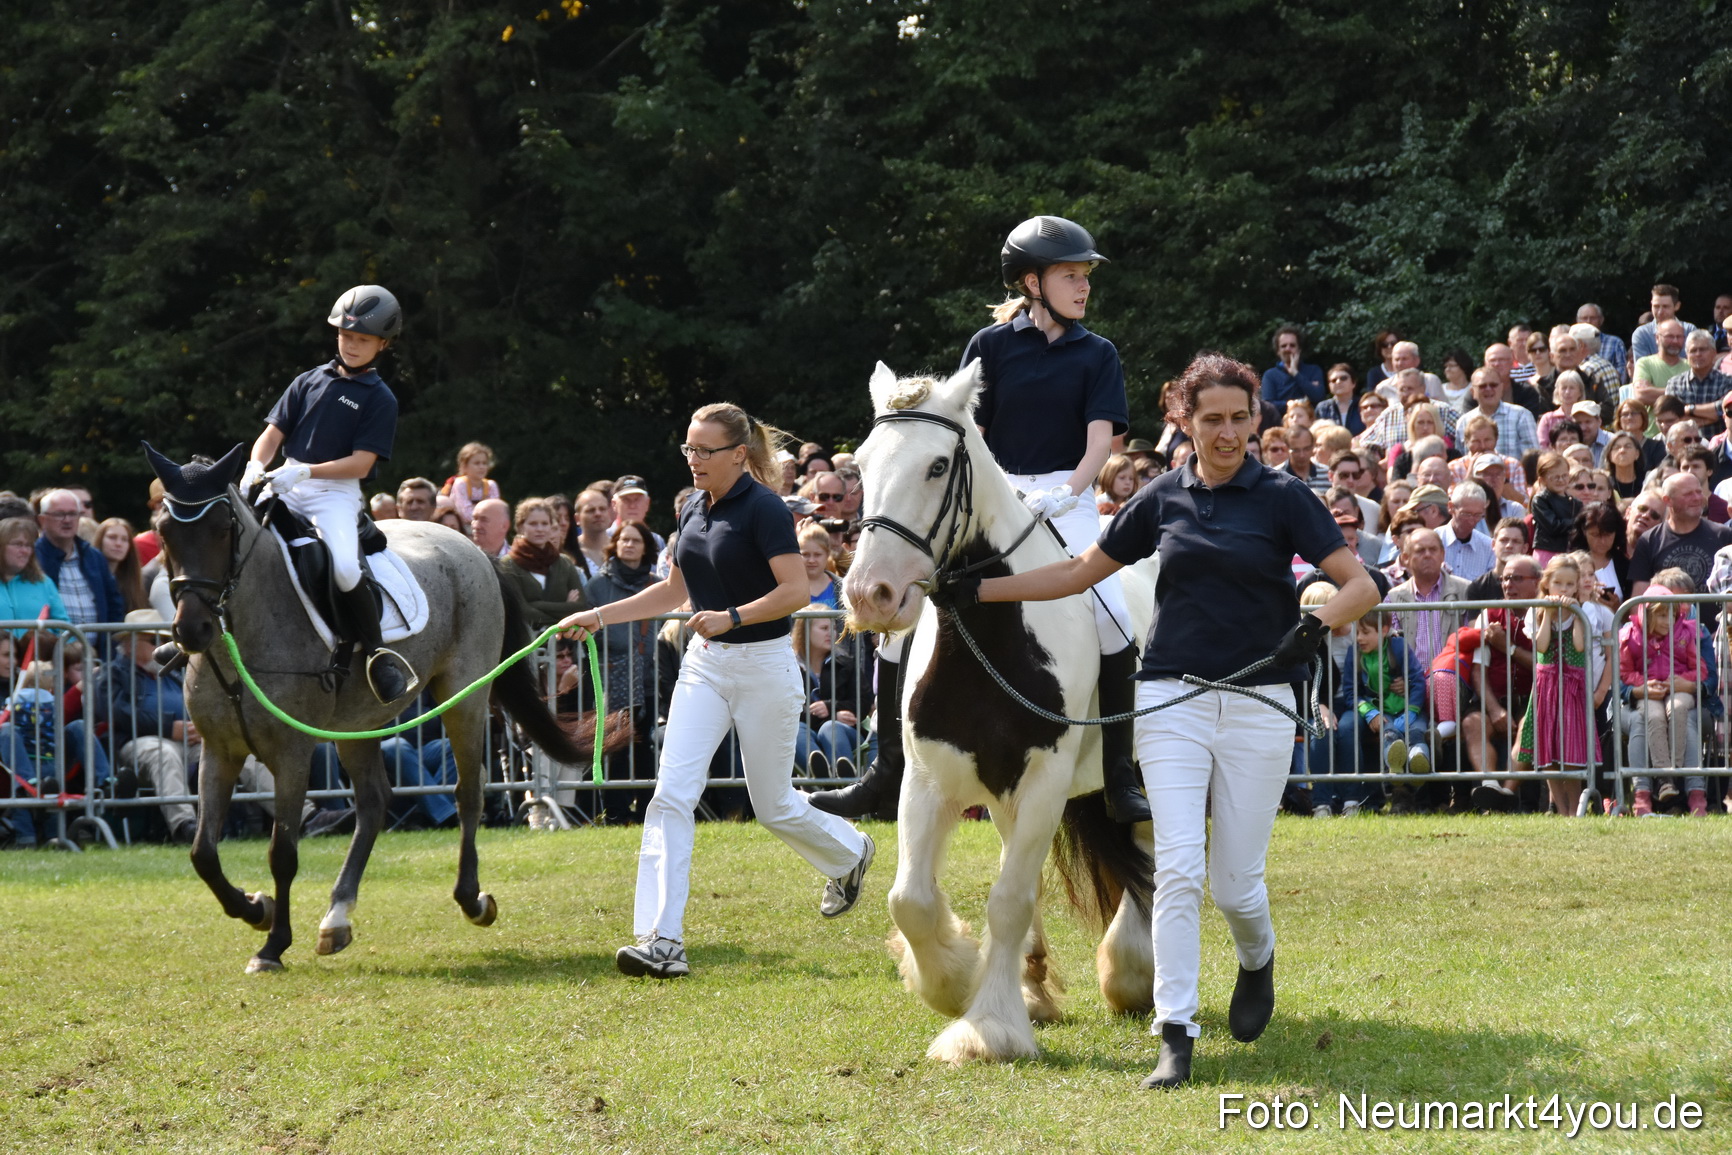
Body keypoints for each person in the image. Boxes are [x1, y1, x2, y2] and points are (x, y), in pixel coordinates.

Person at [944, 353, 1378, 1090]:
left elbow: (1362, 583)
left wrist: (1317, 623)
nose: (1229, 432)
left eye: (1241, 417)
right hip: (1170, 698)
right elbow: (1078, 573)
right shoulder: (1161, 496)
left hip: (1261, 702)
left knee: (1236, 883)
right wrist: (981, 589)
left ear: (1255, 417)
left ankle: (1255, 955)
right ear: (1184, 418)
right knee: (1177, 865)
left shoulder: (1282, 497)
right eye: (1212, 419)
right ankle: (1174, 1032)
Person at [822, 215, 1151, 824]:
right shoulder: (989, 346)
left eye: (1085, 277)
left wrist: (1067, 491)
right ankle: (885, 769)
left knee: (1116, 620)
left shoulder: (1097, 353)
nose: (1084, 287)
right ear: (1032, 281)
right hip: (995, 498)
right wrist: (1002, 494)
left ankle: (1118, 775)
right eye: (1071, 276)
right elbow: (968, 437)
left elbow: (1100, 444)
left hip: (1067, 500)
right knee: (899, 623)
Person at [556, 403, 876, 979]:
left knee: (774, 806)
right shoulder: (693, 508)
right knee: (671, 795)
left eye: (705, 451)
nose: (693, 460)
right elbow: (672, 591)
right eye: (688, 449)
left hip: (765, 666)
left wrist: (732, 616)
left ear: (738, 454)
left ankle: (850, 853)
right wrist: (599, 616)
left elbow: (794, 590)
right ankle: (661, 941)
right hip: (704, 667)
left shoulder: (766, 510)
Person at [241, 285, 411, 703]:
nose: (351, 345)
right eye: (345, 336)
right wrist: (255, 467)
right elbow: (272, 434)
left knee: (346, 570)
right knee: (227, 534)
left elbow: (362, 464)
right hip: (285, 478)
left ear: (382, 344)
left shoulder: (380, 398)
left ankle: (377, 654)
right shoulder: (307, 380)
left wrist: (304, 472)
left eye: (362, 339)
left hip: (333, 491)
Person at [1513, 556, 1599, 817]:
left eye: (1569, 584)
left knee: (1570, 753)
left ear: (1576, 587)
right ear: (1547, 584)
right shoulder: (1536, 610)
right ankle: (1560, 809)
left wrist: (1575, 613)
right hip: (1546, 686)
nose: (1563, 589)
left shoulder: (1586, 609)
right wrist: (1548, 613)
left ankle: (1575, 809)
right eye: (1558, 583)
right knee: (1548, 751)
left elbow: (1580, 646)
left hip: (1572, 687)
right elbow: (1540, 646)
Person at [1618, 585, 1702, 817]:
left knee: (1676, 709)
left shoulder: (1686, 633)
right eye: (1662, 615)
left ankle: (1670, 776)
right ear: (1647, 613)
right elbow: (1624, 673)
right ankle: (1662, 779)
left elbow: (1699, 670)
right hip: (1648, 692)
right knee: (1652, 716)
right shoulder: (1631, 636)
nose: (1668, 621)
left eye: (1672, 615)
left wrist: (1680, 681)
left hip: (1678, 690)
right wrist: (1643, 685)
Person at [1350, 612, 1432, 779]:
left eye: (1365, 633)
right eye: (1357, 632)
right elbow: (1351, 692)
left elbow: (1417, 680)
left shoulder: (1399, 646)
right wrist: (1369, 712)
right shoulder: (1354, 653)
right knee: (1390, 734)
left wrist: (1412, 711)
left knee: (1417, 731)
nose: (1359, 638)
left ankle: (1418, 760)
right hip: (1383, 711)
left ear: (1383, 630)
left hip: (1410, 707)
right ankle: (1394, 766)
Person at [791, 612, 868, 778]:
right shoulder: (789, 668)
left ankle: (844, 786)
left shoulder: (845, 663)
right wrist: (831, 714)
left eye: (833, 628)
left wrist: (830, 707)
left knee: (831, 728)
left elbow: (863, 701)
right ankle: (825, 782)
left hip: (846, 732)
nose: (832, 633)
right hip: (806, 729)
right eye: (824, 628)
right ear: (804, 631)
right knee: (794, 730)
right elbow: (786, 710)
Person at [33, 489, 123, 631]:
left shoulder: (95, 557)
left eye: (73, 514)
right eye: (59, 514)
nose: (67, 520)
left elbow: (114, 604)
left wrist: (110, 643)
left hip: (96, 651)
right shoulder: (33, 557)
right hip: (52, 649)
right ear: (42, 520)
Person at [497, 497, 588, 629]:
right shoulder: (508, 564)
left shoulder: (564, 562)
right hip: (527, 643)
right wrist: (561, 618)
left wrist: (536, 604)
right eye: (533, 524)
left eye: (545, 523)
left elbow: (580, 606)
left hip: (564, 644)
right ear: (521, 527)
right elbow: (522, 611)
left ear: (551, 526)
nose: (540, 529)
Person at [0, 517, 68, 630]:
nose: (25, 551)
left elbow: (64, 627)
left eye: (28, 545)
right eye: (18, 544)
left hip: (39, 648)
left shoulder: (43, 583)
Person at [1529, 451, 1581, 565]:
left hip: (1569, 551)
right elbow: (1553, 525)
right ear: (1542, 480)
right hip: (1547, 551)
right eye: (1555, 477)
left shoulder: (1575, 503)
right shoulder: (1541, 500)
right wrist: (1577, 522)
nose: (1561, 480)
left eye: (1564, 476)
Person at [1260, 325, 1325, 407]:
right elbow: (1268, 406)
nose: (1288, 349)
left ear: (1299, 349)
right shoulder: (1270, 375)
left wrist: (1295, 374)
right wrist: (1297, 403)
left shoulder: (1314, 370)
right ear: (1278, 351)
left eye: (1292, 345)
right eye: (1284, 346)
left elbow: (1318, 398)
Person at [441, 442, 500, 529]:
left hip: (485, 526)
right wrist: (484, 519)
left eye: (484, 463)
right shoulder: (461, 483)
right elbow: (465, 514)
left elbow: (496, 511)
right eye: (477, 463)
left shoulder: (491, 485)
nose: (481, 467)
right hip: (463, 527)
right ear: (464, 466)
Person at [1631, 283, 1696, 362]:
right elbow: (1642, 368)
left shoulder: (1690, 330)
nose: (1660, 312)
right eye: (1656, 306)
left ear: (1677, 306)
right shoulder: (1642, 334)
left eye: (1665, 307)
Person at [798, 521, 842, 609]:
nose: (811, 560)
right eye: (805, 554)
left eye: (817, 554)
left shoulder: (841, 587)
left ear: (827, 554)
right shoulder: (790, 588)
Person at [1314, 364, 1363, 433]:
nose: (1338, 382)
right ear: (1329, 386)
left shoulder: (1364, 405)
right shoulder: (1322, 408)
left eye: (1343, 378)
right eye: (1334, 380)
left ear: (1353, 383)